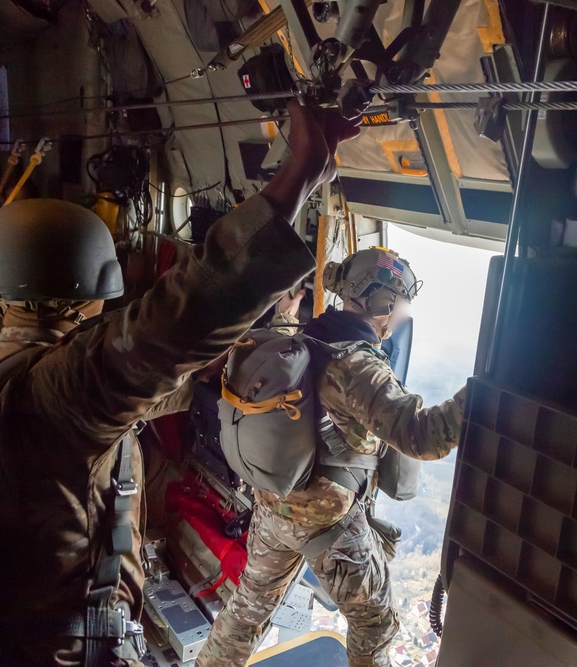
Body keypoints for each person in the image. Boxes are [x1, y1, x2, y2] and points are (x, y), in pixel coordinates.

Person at [0, 99, 359, 667]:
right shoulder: (62, 392)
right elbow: (186, 316)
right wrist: (297, 176)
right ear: (94, 288)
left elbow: (134, 395)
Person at [199, 247, 467, 667]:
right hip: (328, 527)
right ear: (382, 302)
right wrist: (484, 393)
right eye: (401, 303)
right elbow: (421, 436)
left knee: (249, 607)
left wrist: (286, 314)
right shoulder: (358, 366)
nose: (402, 314)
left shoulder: (306, 336)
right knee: (376, 628)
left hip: (273, 509)